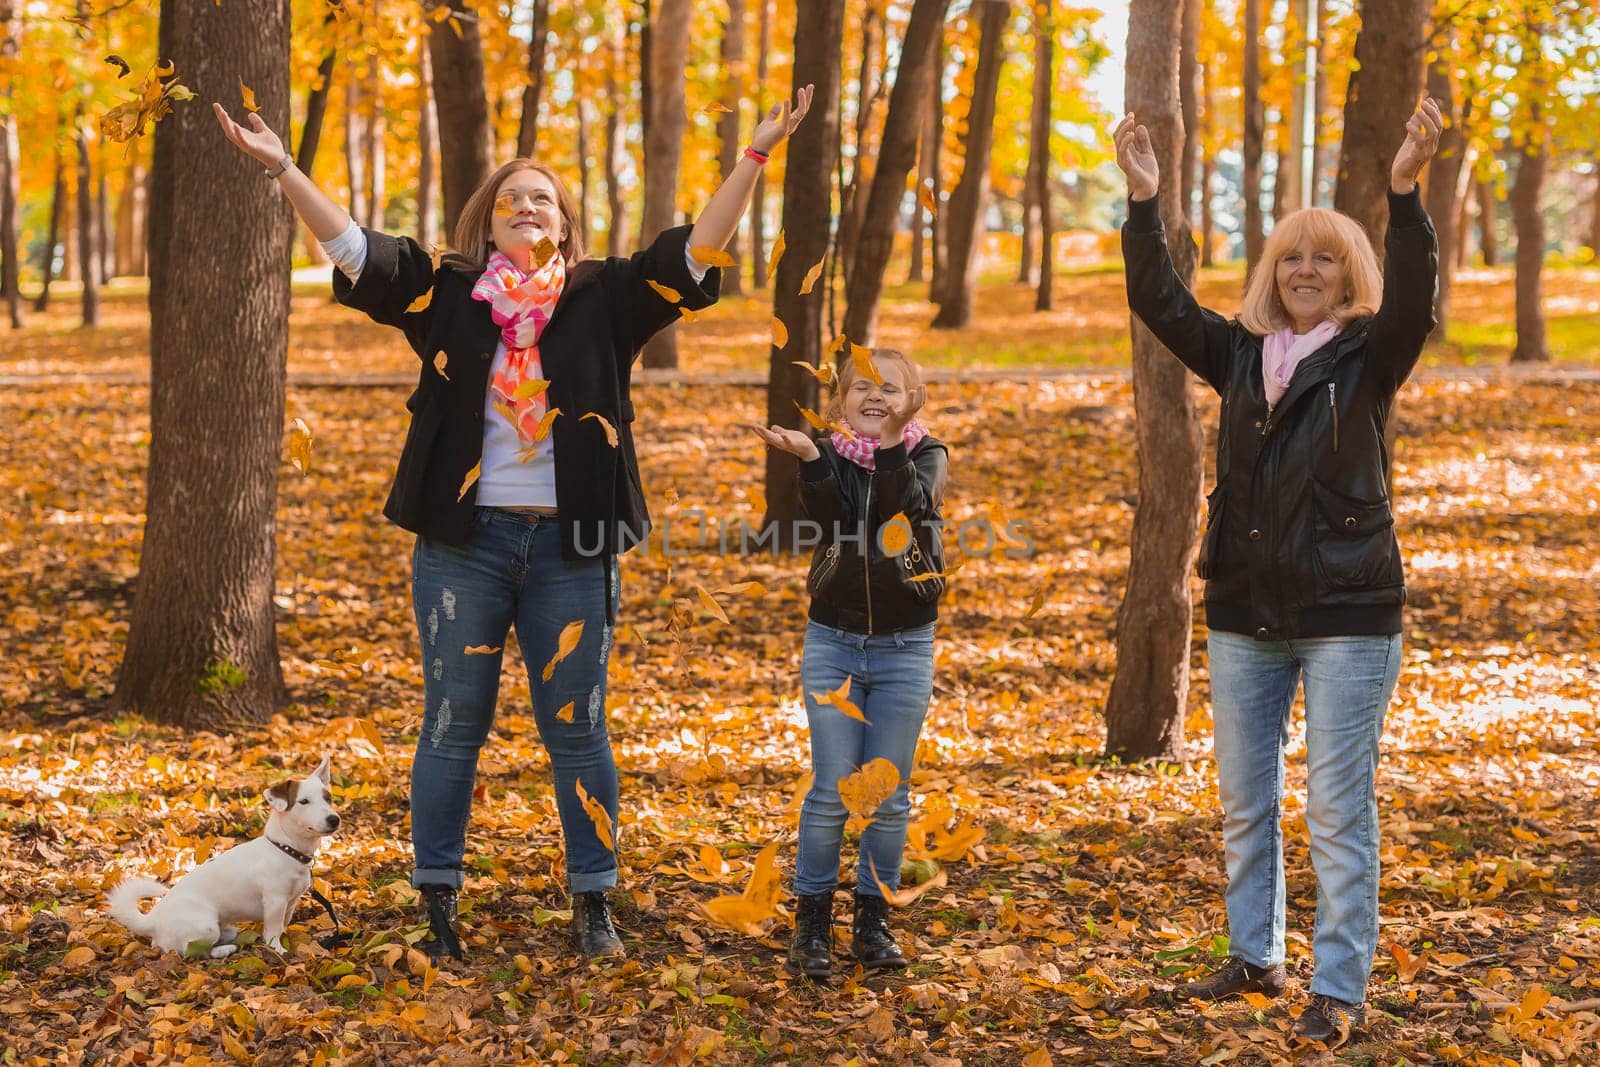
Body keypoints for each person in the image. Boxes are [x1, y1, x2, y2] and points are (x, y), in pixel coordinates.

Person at [213, 85, 812, 961]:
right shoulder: (450, 294)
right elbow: (353, 248)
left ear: (564, 224)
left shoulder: (605, 296)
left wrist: (753, 155)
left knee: (577, 726)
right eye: (508, 199)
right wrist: (285, 169)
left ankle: (593, 900)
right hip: (466, 547)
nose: (525, 207)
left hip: (572, 548)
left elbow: (698, 252)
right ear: (485, 226)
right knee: (454, 720)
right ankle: (438, 898)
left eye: (542, 198)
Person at [1111, 98, 1442, 1046]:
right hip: (1246, 611)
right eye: (1291, 256)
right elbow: (1161, 303)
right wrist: (1145, 203)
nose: (1305, 270)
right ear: (1272, 273)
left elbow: (1416, 294)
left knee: (1339, 808)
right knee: (1244, 801)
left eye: (1324, 257)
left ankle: (1338, 987)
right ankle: (1254, 955)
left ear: (1349, 275)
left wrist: (1406, 193)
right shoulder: (1243, 354)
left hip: (1349, 613)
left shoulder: (1373, 353)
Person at [751, 349, 949, 980]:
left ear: (911, 399)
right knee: (834, 789)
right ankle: (812, 921)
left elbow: (903, 519)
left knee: (886, 794)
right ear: (840, 400)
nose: (875, 395)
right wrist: (811, 461)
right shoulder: (830, 453)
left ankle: (873, 917)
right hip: (834, 643)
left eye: (890, 388)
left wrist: (891, 443)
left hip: (904, 647)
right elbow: (833, 521)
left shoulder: (927, 455)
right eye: (863, 386)